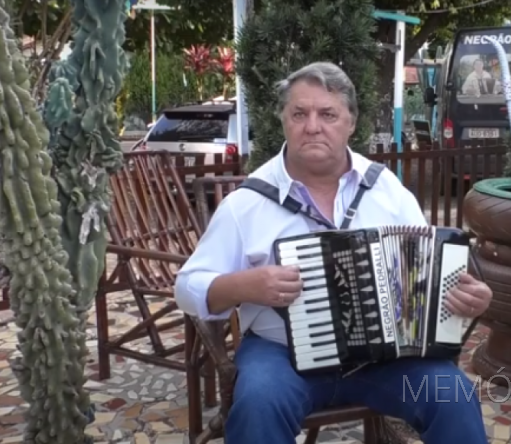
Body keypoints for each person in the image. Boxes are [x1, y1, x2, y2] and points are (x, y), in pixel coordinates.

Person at [174, 61, 494, 444]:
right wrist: (243, 285)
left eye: (327, 114)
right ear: (283, 121)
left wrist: (468, 298)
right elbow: (187, 287)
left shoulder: (386, 191)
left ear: (351, 123)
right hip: (281, 357)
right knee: (257, 404)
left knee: (454, 396)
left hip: (386, 361)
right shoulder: (247, 204)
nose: (312, 126)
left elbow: (428, 276)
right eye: (299, 113)